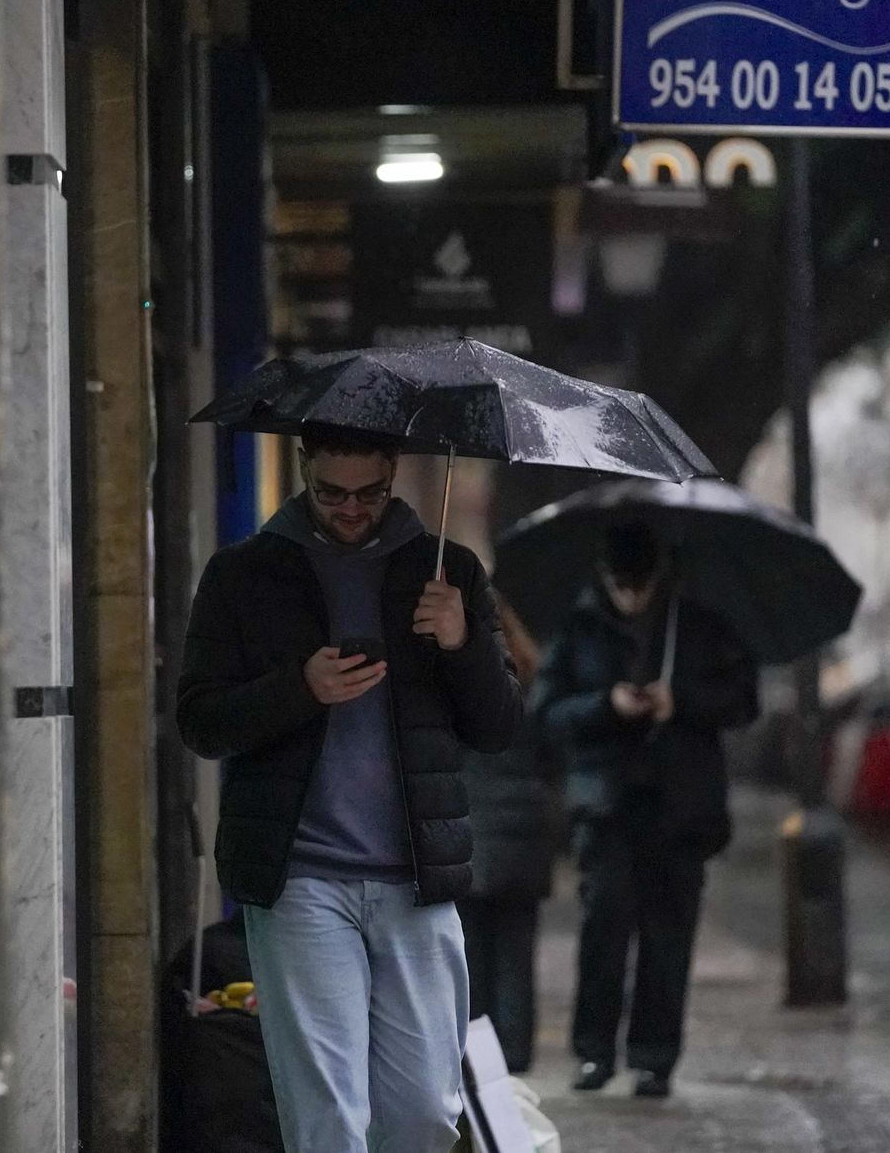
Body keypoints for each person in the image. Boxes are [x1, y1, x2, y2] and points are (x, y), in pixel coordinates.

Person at [177, 426, 523, 1153]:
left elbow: (497, 727)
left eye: (370, 493)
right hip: (300, 878)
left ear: (393, 471)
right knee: (328, 1118)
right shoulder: (244, 575)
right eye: (332, 492)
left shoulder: (447, 571)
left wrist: (462, 643)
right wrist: (300, 688)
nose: (352, 509)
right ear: (304, 467)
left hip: (416, 881)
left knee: (426, 1115)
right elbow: (201, 721)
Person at [531, 523, 758, 1097]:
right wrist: (606, 705)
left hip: (682, 804)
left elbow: (742, 700)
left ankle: (654, 1058)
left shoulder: (698, 624)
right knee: (603, 926)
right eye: (620, 586)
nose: (630, 598)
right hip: (606, 804)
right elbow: (547, 714)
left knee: (669, 935)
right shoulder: (580, 626)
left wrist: (678, 702)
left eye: (640, 586)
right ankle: (594, 1052)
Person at [457, 599, 563, 1074]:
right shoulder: (534, 681)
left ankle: (479, 1059)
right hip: (525, 836)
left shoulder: (457, 682)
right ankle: (515, 1056)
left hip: (470, 832)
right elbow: (554, 758)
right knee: (517, 953)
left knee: (471, 955)